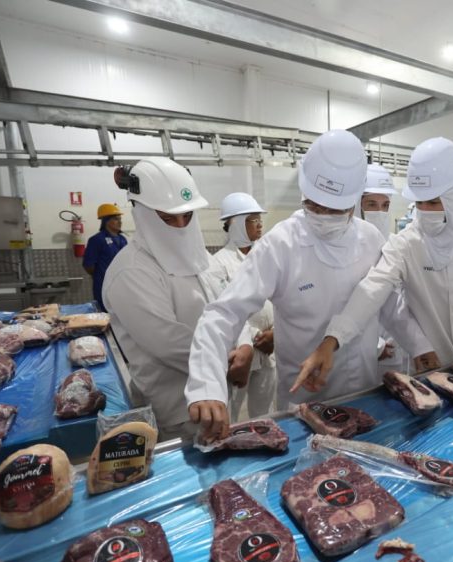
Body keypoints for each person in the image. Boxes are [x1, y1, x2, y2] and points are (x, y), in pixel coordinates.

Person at [185, 130, 437, 438]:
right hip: (303, 405)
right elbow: (223, 313)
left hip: (364, 393)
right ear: (304, 193)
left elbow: (385, 303)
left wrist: (419, 344)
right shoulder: (280, 245)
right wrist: (206, 384)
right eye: (316, 206)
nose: (325, 215)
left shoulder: (370, 238)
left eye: (336, 209)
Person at [292, 137, 453, 393]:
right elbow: (373, 288)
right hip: (431, 367)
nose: (426, 210)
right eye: (420, 202)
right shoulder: (405, 244)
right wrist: (332, 340)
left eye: (434, 202)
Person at [102, 157, 246, 441]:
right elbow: (166, 341)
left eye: (187, 215)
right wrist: (227, 362)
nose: (180, 226)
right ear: (141, 212)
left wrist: (245, 344)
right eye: (168, 218)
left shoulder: (201, 256)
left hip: (219, 393)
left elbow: (231, 304)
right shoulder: (131, 271)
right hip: (177, 412)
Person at [213, 192, 277, 421]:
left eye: (260, 219)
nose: (259, 224)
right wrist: (254, 336)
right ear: (235, 224)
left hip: (269, 346)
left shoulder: (268, 256)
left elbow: (281, 296)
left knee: (265, 412)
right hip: (239, 350)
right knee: (231, 410)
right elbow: (222, 309)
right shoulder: (218, 263)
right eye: (252, 219)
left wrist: (275, 333)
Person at [355, 163, 409, 373]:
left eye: (385, 205)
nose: (379, 211)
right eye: (371, 204)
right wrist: (376, 346)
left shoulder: (395, 245)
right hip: (360, 351)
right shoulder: (345, 252)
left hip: (396, 349)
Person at [82, 203, 127, 310]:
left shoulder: (123, 239)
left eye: (120, 219)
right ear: (106, 221)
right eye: (116, 219)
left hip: (122, 284)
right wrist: (101, 275)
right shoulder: (97, 240)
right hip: (103, 285)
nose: (120, 222)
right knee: (106, 315)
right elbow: (88, 266)